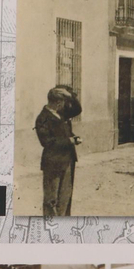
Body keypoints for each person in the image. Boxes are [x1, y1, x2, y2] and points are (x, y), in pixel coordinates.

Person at [35, 86, 81, 217]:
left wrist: (70, 95)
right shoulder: (42, 118)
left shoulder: (61, 114)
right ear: (57, 103)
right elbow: (47, 142)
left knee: (65, 198)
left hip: (68, 160)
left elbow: (77, 109)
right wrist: (69, 141)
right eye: (63, 102)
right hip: (53, 162)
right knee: (51, 199)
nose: (65, 105)